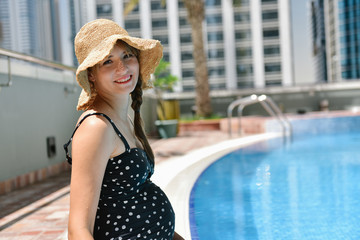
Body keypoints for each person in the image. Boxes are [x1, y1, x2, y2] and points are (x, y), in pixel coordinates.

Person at [64, 19, 184, 240]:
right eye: (107, 61)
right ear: (91, 74)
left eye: (127, 56)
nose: (122, 68)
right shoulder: (96, 126)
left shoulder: (122, 118)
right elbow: (78, 229)